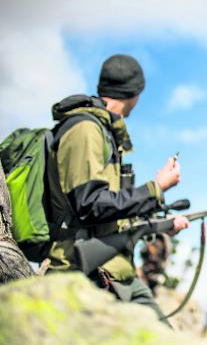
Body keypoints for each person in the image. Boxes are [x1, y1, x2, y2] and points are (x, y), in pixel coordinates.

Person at [46, 54, 189, 324]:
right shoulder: (85, 129)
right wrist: (156, 188)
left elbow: (111, 214)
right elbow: (89, 205)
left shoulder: (102, 131)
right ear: (135, 93)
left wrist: (160, 225)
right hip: (88, 274)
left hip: (118, 273)